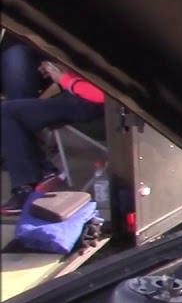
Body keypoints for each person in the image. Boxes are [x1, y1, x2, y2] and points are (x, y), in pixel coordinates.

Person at [2, 60, 105, 215]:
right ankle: (38, 177)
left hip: (95, 103)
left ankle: (31, 182)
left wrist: (64, 78)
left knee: (8, 112)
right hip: (75, 92)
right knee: (11, 113)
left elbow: (102, 95)